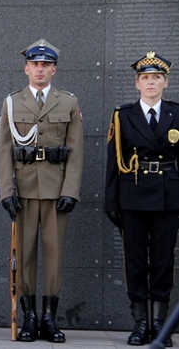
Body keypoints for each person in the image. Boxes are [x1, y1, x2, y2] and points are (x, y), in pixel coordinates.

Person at [0, 39, 84, 343]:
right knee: (25, 256)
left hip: (56, 189)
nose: (40, 69)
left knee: (54, 256)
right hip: (23, 190)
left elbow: (75, 150)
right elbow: (5, 150)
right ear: (26, 68)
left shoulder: (68, 103)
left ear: (54, 70)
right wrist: (6, 191)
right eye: (35, 64)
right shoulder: (12, 103)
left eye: (46, 65)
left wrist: (71, 190)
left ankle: (49, 318)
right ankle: (29, 318)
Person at [105, 52, 176, 347]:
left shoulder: (177, 114)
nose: (151, 82)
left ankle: (159, 325)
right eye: (145, 78)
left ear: (165, 82)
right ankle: (140, 323)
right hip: (133, 195)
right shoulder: (123, 116)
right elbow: (113, 160)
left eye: (156, 78)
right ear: (137, 84)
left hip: (168, 196)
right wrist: (111, 201)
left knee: (162, 261)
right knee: (135, 261)